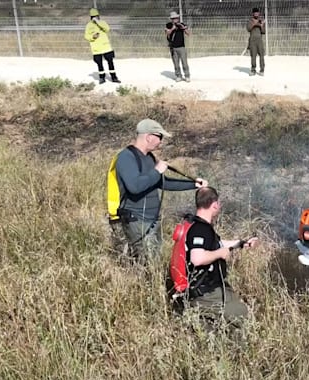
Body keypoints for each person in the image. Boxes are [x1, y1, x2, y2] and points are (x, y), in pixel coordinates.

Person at [108, 119, 206, 261]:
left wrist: (193, 184)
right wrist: (157, 170)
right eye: (160, 137)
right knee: (146, 263)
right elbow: (135, 187)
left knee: (155, 260)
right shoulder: (126, 157)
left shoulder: (148, 158)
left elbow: (162, 183)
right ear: (149, 137)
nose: (161, 141)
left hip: (152, 220)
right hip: (136, 220)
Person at [178, 187, 258, 333]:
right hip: (205, 291)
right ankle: (236, 351)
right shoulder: (201, 229)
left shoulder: (199, 225)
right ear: (214, 204)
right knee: (241, 314)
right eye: (218, 203)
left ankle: (204, 329)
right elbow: (197, 258)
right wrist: (220, 253)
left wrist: (241, 243)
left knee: (214, 324)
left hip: (208, 288)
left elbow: (218, 244)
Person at [84, 8, 120, 84]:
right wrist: (93, 37)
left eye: (96, 16)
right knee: (99, 64)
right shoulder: (88, 26)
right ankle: (102, 78)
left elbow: (107, 29)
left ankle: (114, 77)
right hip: (96, 49)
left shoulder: (102, 22)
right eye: (93, 16)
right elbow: (86, 36)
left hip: (106, 47)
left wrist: (98, 22)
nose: (95, 17)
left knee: (110, 62)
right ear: (91, 17)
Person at [165, 11, 191, 82]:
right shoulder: (168, 25)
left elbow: (188, 34)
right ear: (171, 19)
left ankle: (187, 76)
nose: (175, 19)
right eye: (173, 18)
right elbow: (167, 33)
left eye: (176, 18)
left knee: (184, 62)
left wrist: (183, 28)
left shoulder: (181, 24)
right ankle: (178, 76)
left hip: (181, 47)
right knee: (176, 63)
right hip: (173, 47)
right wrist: (173, 28)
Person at [247, 7, 266, 76]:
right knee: (253, 56)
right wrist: (254, 24)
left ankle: (262, 70)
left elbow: (264, 32)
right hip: (252, 41)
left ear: (259, 13)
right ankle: (253, 70)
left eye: (257, 13)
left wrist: (261, 26)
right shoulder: (250, 21)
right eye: (255, 13)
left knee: (261, 55)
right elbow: (248, 29)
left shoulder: (261, 21)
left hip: (259, 41)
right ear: (253, 14)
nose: (256, 14)